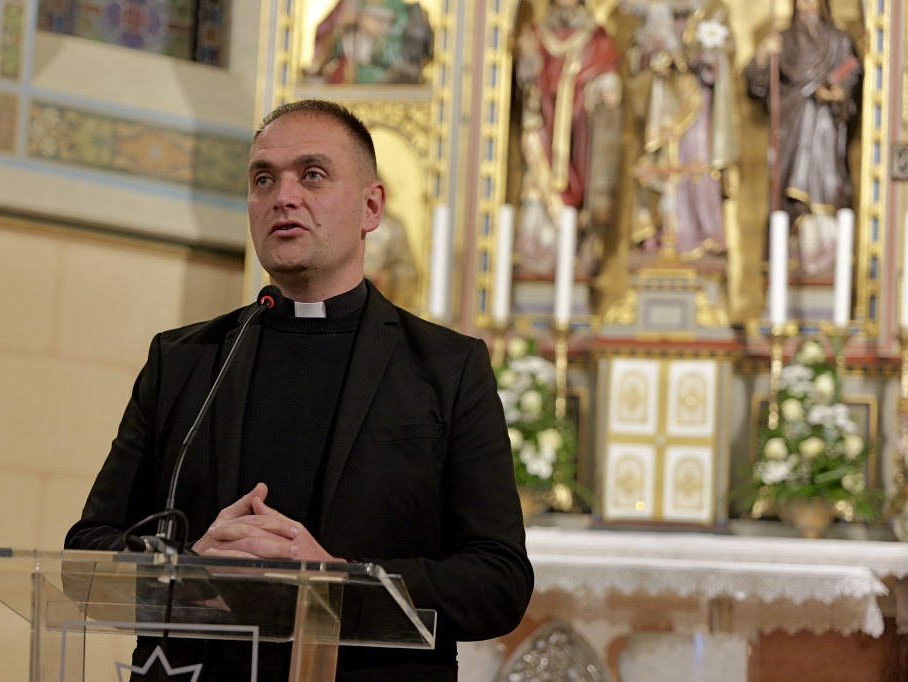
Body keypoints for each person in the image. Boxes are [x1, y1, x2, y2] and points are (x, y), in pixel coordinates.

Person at [65, 99, 533, 680]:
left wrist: (338, 581)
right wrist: (187, 571)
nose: (283, 196)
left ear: (371, 207)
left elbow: (499, 581)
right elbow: (85, 555)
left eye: (312, 175)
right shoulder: (183, 361)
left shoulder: (447, 368)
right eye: (263, 179)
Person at [745, 0, 859, 275]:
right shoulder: (781, 41)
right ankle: (791, 251)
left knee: (826, 187)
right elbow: (759, 87)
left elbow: (853, 79)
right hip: (791, 130)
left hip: (826, 132)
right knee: (789, 191)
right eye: (801, 1)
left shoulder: (839, 41)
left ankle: (824, 251)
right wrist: (762, 54)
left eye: (812, 1)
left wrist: (840, 94)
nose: (806, 7)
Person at [514, 0, 622, 276]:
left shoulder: (595, 37)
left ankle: (575, 242)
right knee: (537, 176)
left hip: (579, 128)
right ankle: (538, 245)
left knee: (581, 180)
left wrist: (606, 87)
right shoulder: (537, 34)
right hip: (544, 121)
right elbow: (524, 79)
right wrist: (528, 59)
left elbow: (607, 70)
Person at [627, 0, 738, 260]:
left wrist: (709, 60)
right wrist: (649, 53)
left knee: (699, 164)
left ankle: (704, 230)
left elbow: (727, 54)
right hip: (660, 105)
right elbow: (634, 60)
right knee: (663, 165)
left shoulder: (714, 12)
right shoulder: (654, 10)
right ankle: (663, 231)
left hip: (698, 102)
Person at [304, 0, 434, 85]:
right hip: (345, 83)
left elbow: (403, 58)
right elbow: (324, 56)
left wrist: (376, 34)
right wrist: (338, 30)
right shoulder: (349, 5)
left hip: (384, 86)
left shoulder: (402, 11)